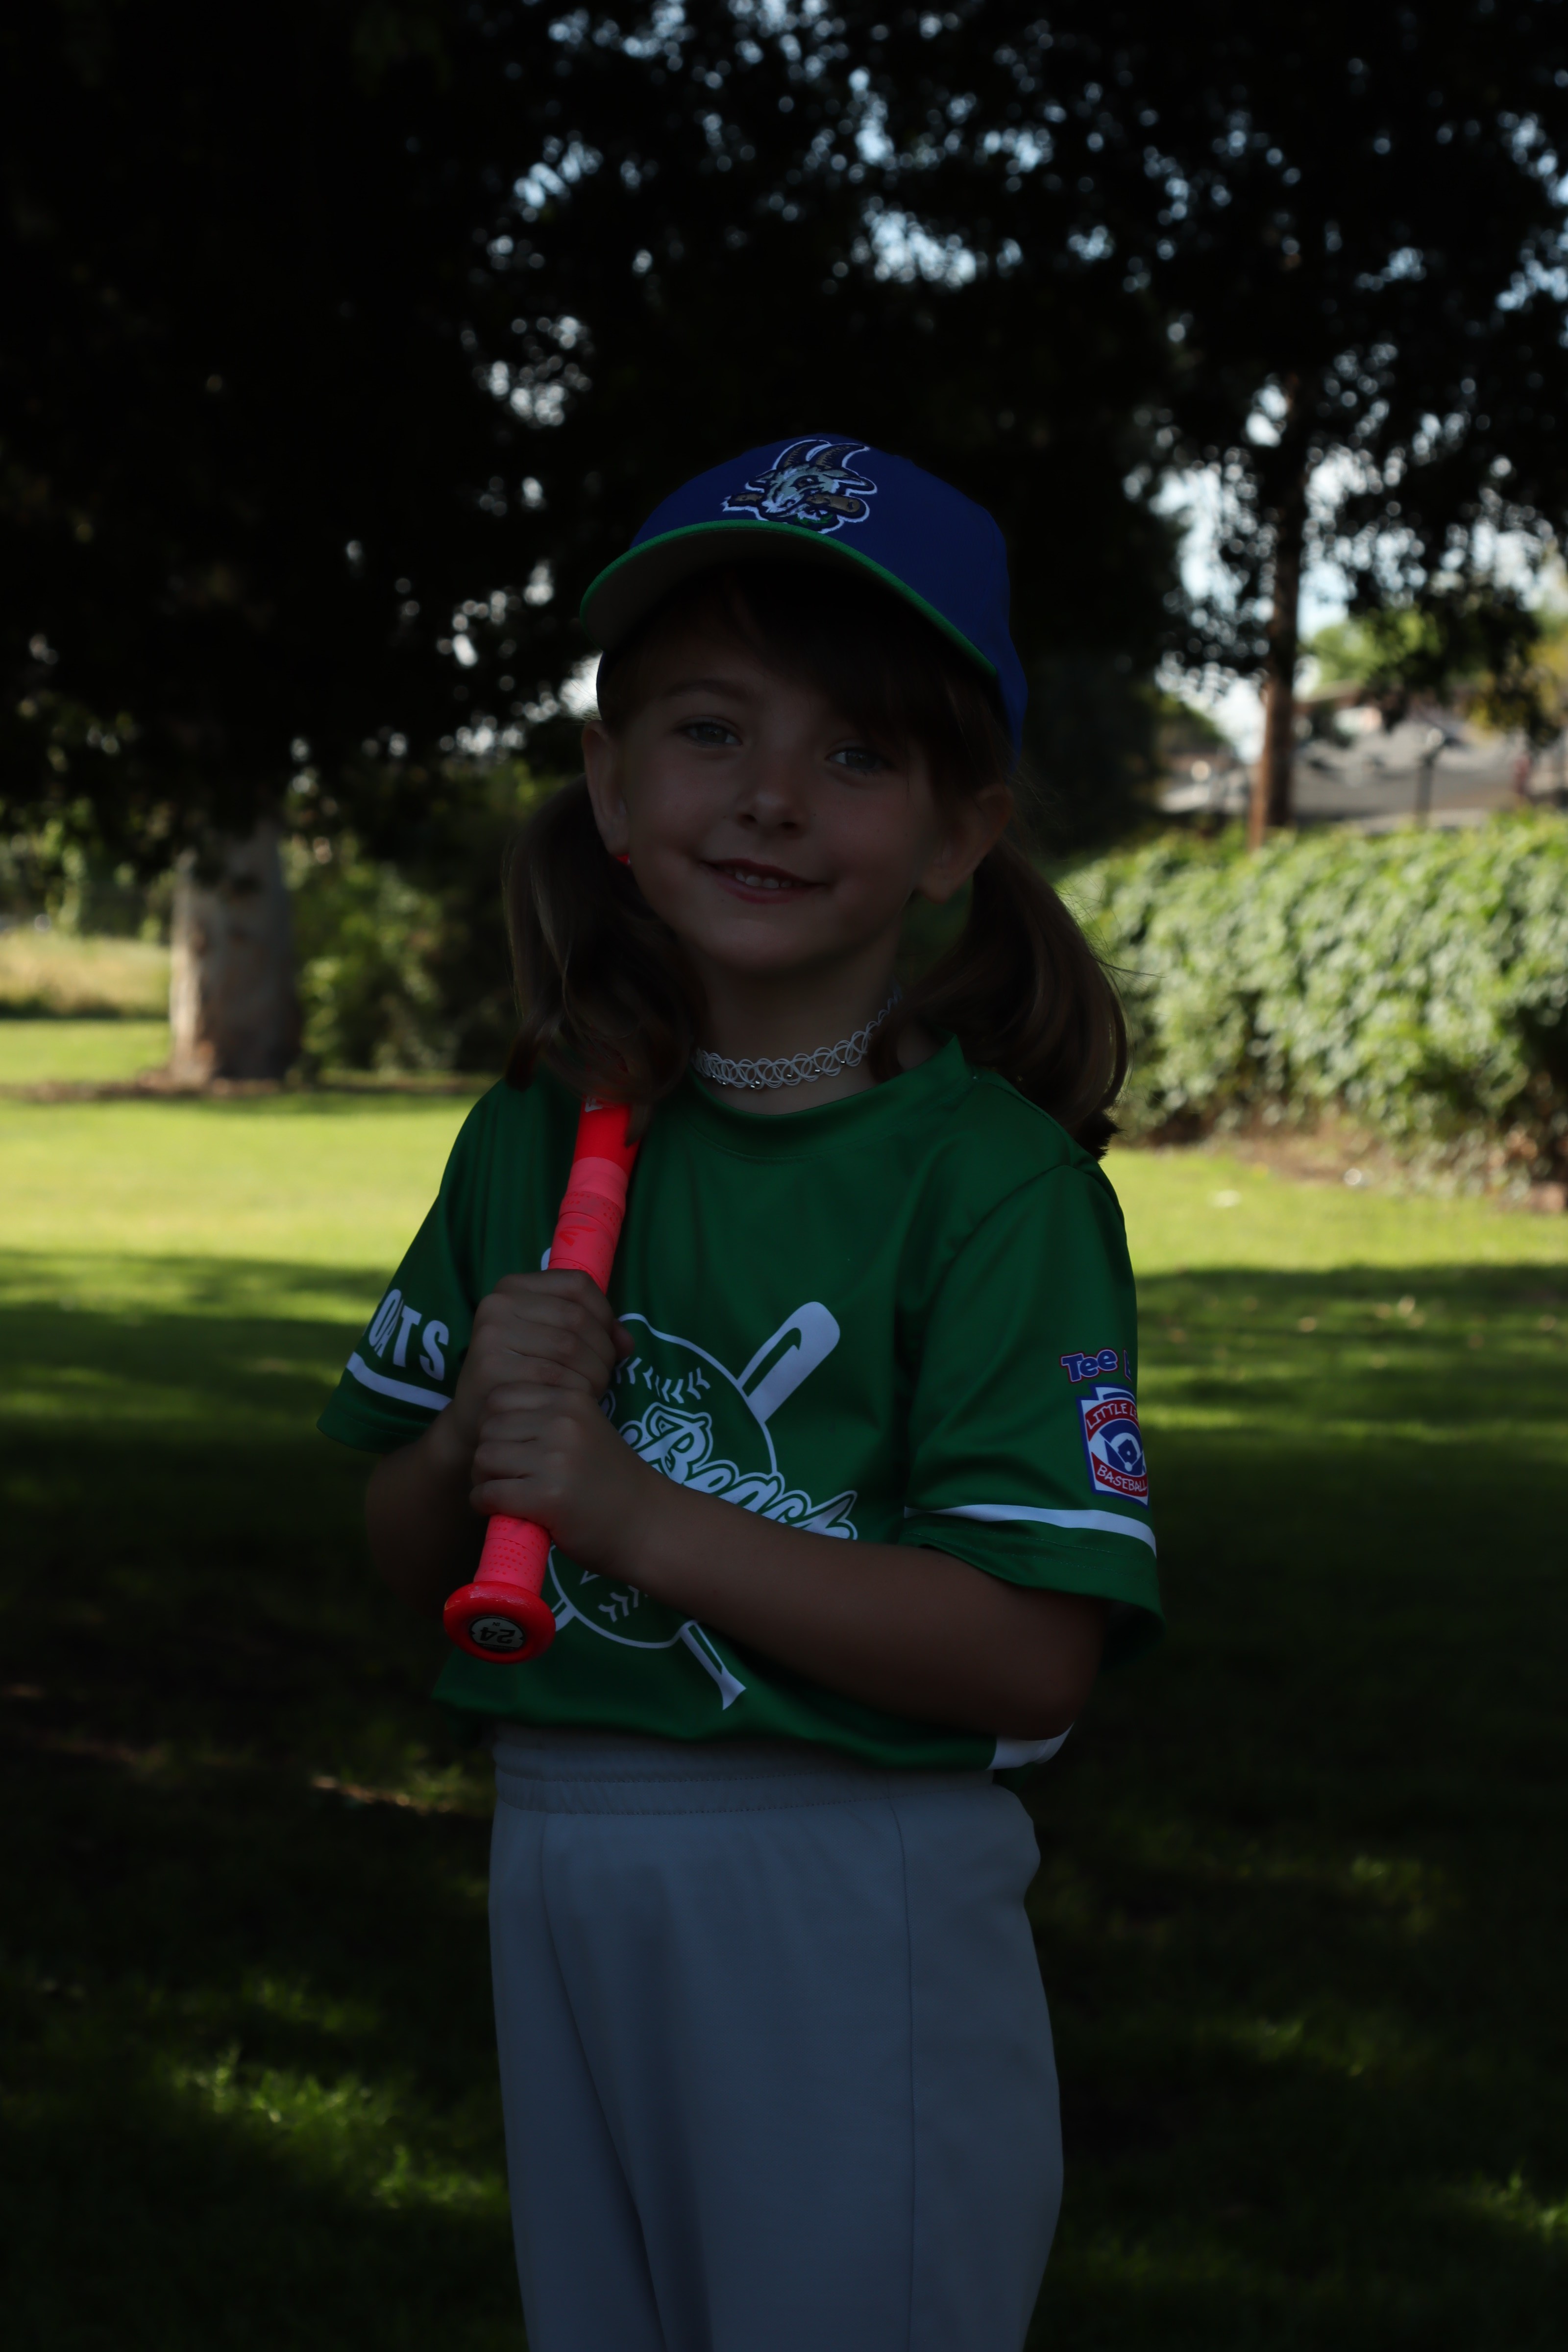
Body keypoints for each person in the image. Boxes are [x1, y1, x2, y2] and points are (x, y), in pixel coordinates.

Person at [319, 437, 1164, 2352]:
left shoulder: (992, 1189)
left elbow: (1031, 1654)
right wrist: (470, 1439)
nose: (771, 796)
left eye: (857, 753)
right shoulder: (529, 1133)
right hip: (558, 1843)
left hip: (846, 1871)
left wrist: (629, 1512)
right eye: (709, 731)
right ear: (613, 783)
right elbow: (397, 1550)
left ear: (957, 834)